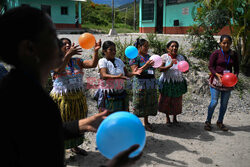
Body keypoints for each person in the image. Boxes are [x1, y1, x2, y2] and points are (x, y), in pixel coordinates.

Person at [0, 6, 141, 167]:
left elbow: (41, 134)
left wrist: (79, 125)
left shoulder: (23, 90)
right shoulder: (23, 101)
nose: (61, 44)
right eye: (53, 37)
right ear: (30, 48)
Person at [50, 37, 101, 155]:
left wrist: (96, 51)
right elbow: (58, 69)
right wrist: (68, 55)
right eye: (64, 44)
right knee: (64, 124)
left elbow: (93, 64)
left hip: (78, 98)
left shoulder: (77, 61)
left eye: (69, 44)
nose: (67, 45)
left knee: (77, 123)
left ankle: (75, 147)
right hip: (63, 99)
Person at [95, 41, 142, 114]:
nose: (114, 52)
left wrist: (134, 73)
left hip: (120, 91)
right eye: (111, 50)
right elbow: (104, 75)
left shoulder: (119, 61)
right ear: (104, 51)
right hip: (108, 93)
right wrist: (117, 77)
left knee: (122, 114)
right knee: (107, 115)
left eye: (115, 50)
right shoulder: (102, 61)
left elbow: (126, 74)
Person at [205, 35, 239, 131]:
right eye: (224, 42)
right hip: (216, 81)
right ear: (220, 43)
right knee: (214, 102)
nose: (226, 44)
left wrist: (235, 76)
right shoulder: (216, 53)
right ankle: (208, 121)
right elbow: (210, 67)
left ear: (231, 43)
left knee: (224, 104)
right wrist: (217, 75)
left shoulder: (233, 54)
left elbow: (236, 68)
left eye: (228, 43)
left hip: (228, 82)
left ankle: (220, 122)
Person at [129, 38, 158, 131]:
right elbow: (135, 71)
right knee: (138, 103)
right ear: (139, 47)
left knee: (148, 102)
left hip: (150, 82)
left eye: (148, 46)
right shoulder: (134, 58)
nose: (147, 48)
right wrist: (146, 65)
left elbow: (154, 69)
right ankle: (135, 123)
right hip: (140, 83)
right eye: (145, 46)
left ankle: (146, 122)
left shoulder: (149, 57)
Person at [158, 41, 188, 125]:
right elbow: (160, 69)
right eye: (172, 46)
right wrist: (169, 65)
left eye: (176, 46)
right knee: (167, 100)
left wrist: (186, 70)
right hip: (167, 82)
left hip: (178, 82)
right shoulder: (164, 57)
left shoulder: (181, 57)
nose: (174, 48)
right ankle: (167, 118)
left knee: (177, 100)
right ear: (168, 48)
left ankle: (175, 118)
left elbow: (185, 69)